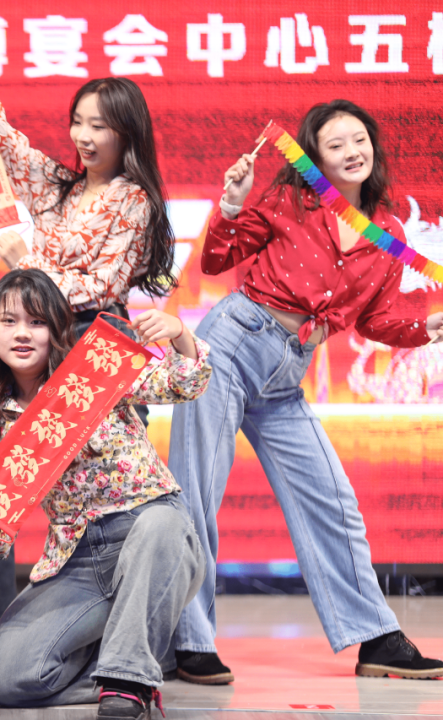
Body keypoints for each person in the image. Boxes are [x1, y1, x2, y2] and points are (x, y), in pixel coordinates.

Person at [0, 6, 177, 675]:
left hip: (93, 355)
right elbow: (0, 140)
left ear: (128, 133)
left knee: (107, 497)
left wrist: (24, 264)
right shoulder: (60, 189)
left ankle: (133, 638)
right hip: (38, 348)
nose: (85, 136)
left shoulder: (135, 201)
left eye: (101, 125)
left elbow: (102, 285)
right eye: (79, 122)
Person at [168, 100, 443, 684]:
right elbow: (217, 259)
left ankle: (377, 638)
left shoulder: (387, 231)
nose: (352, 151)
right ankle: (188, 641)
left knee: (333, 500)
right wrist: (232, 204)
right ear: (314, 158)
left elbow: (376, 318)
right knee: (197, 494)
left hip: (286, 374)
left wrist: (428, 324)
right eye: (335, 144)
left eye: (359, 139)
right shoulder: (291, 201)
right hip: (230, 346)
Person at [0, 269, 206, 718]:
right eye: (9, 321)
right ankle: (123, 672)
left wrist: (180, 334)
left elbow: (184, 383)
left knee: (161, 523)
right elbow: (2, 523)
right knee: (4, 677)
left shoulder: (95, 369)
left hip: (153, 537)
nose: (22, 333)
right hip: (77, 561)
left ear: (57, 328)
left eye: (37, 322)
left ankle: (127, 682)